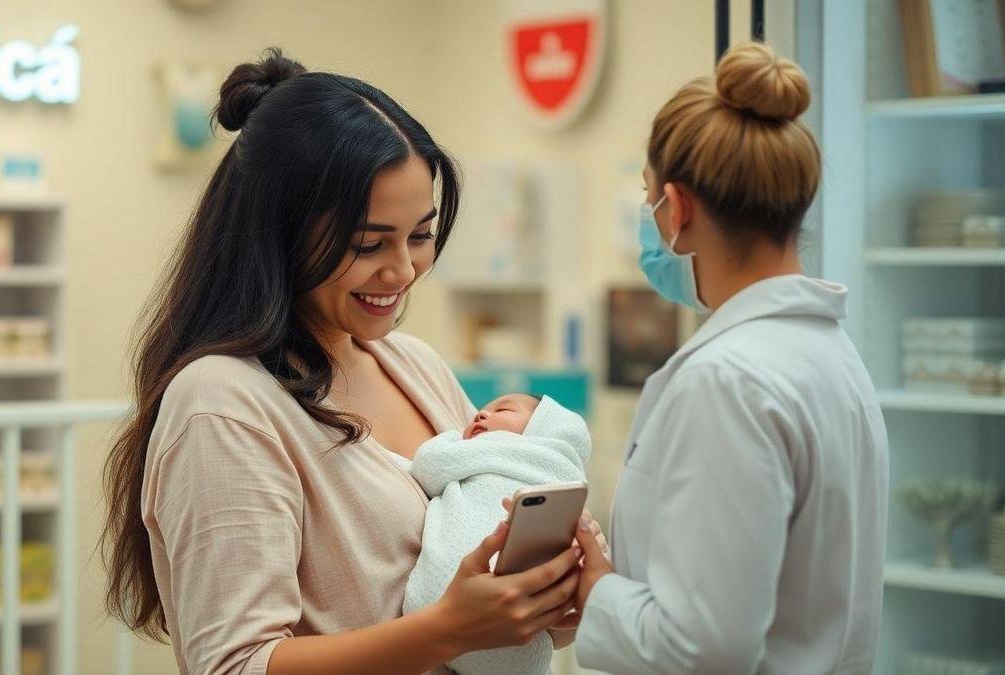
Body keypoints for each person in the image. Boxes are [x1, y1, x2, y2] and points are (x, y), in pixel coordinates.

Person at [100, 49, 587, 675]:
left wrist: (543, 605)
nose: (404, 271)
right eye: (368, 244)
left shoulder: (413, 364)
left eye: (419, 235)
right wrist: (446, 630)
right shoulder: (221, 402)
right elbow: (235, 664)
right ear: (278, 231)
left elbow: (482, 604)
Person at [571, 42, 890, 674]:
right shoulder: (828, 352)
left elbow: (705, 648)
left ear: (678, 209)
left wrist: (596, 589)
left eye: (648, 199)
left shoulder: (727, 381)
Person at [403, 393, 593, 675]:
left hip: (434, 609)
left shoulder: (484, 453)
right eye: (479, 413)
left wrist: (452, 439)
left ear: (542, 432)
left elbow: (428, 465)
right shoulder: (554, 475)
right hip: (519, 651)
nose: (480, 415)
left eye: (501, 409)